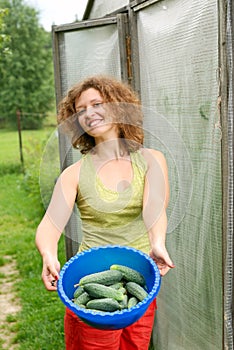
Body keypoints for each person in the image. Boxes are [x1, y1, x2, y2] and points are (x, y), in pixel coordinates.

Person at [35, 75, 174, 350]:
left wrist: (157, 243)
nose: (89, 113)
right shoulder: (74, 174)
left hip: (139, 284)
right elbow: (49, 226)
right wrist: (48, 255)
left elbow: (154, 207)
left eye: (97, 104)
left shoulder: (151, 160)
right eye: (81, 110)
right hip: (91, 284)